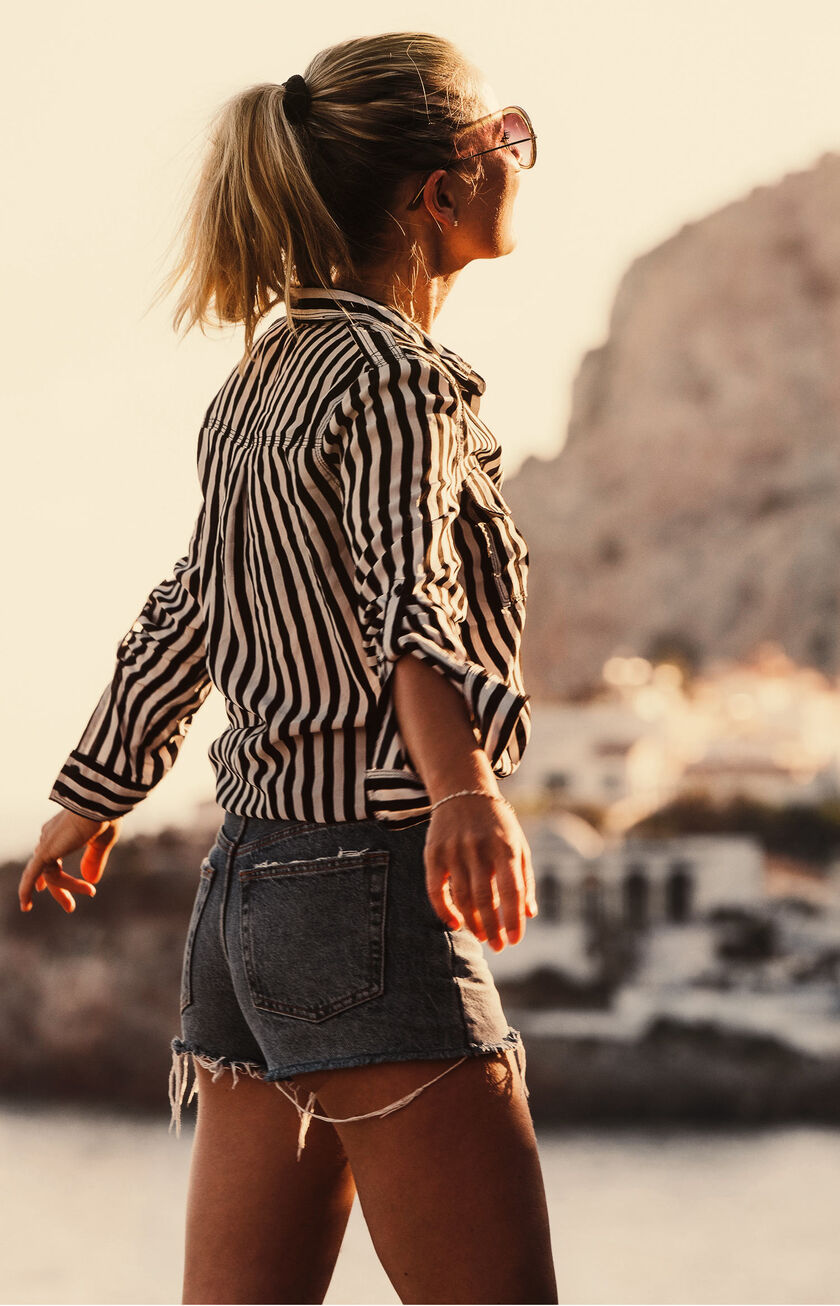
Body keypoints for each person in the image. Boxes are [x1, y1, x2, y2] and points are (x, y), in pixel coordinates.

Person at [18, 30, 557, 1305]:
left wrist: (93, 791)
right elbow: (407, 596)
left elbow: (190, 605)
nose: (524, 163)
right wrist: (467, 793)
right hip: (367, 884)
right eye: (509, 141)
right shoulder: (395, 379)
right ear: (442, 190)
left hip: (244, 899)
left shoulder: (261, 382)